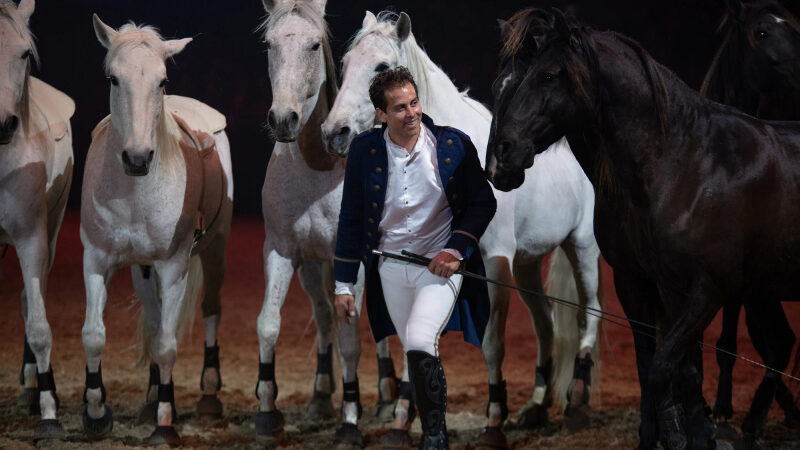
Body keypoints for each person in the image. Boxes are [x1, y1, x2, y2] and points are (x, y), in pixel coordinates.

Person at [333, 66, 496, 449]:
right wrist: (343, 284)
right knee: (413, 347)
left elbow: (483, 201)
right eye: (400, 108)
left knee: (422, 338)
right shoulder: (363, 151)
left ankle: (435, 438)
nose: (411, 113)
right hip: (390, 269)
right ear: (381, 114)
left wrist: (456, 249)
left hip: (439, 267)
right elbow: (351, 219)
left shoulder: (452, 145)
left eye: (414, 103)